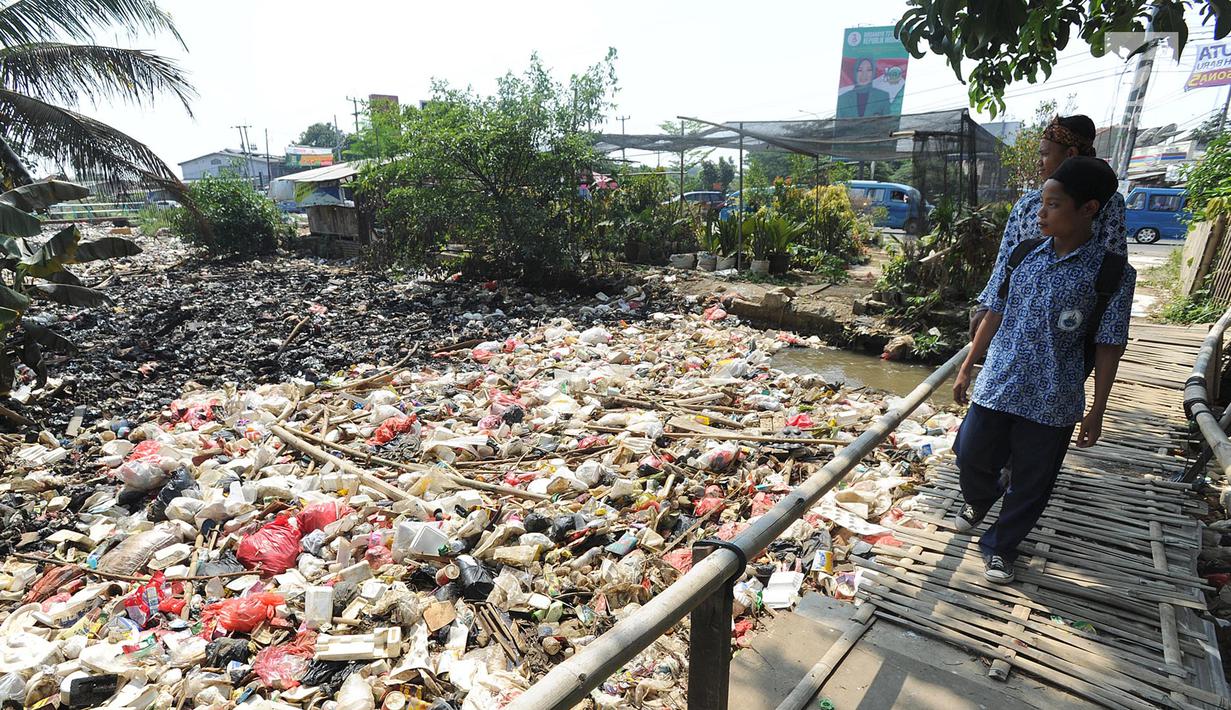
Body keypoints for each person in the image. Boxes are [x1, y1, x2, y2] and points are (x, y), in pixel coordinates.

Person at [951, 156, 1136, 584]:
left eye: (1053, 204)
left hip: (1054, 396)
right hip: (999, 382)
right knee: (969, 455)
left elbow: (1110, 343)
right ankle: (981, 499)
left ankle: (1001, 546)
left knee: (1033, 483)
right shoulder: (1023, 255)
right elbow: (993, 312)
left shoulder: (1112, 275)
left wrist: (1098, 409)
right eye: (1042, 203)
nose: (1041, 213)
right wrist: (967, 367)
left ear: (1088, 209)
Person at [969, 115, 1126, 339]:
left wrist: (1102, 332)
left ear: (1070, 154)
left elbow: (1113, 265)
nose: (1039, 162)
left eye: (1045, 154)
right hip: (1017, 321)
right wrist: (986, 305)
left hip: (1068, 328)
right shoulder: (1027, 204)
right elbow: (1006, 259)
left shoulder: (1107, 202)